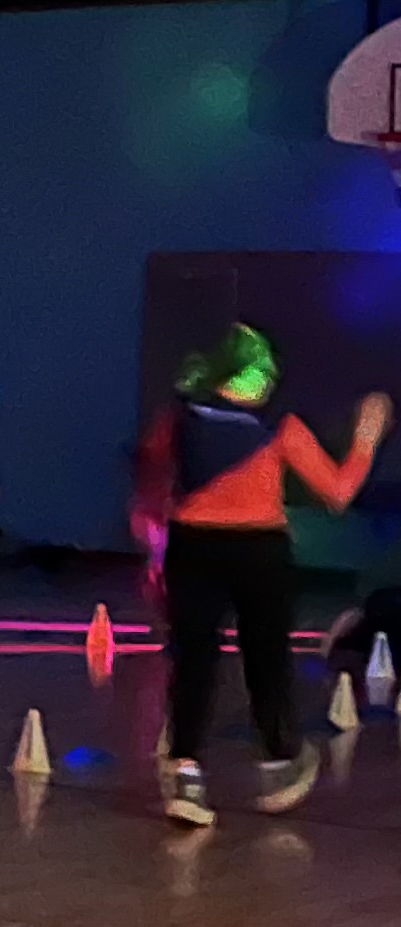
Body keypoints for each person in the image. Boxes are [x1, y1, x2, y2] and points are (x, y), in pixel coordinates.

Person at [138, 325, 388, 825]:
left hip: (192, 546)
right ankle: (278, 764)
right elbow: (337, 494)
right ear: (254, 371)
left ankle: (186, 773)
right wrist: (366, 438)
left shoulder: (178, 418)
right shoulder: (280, 427)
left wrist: (153, 544)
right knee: (267, 659)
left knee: (194, 660)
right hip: (259, 550)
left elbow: (151, 480)